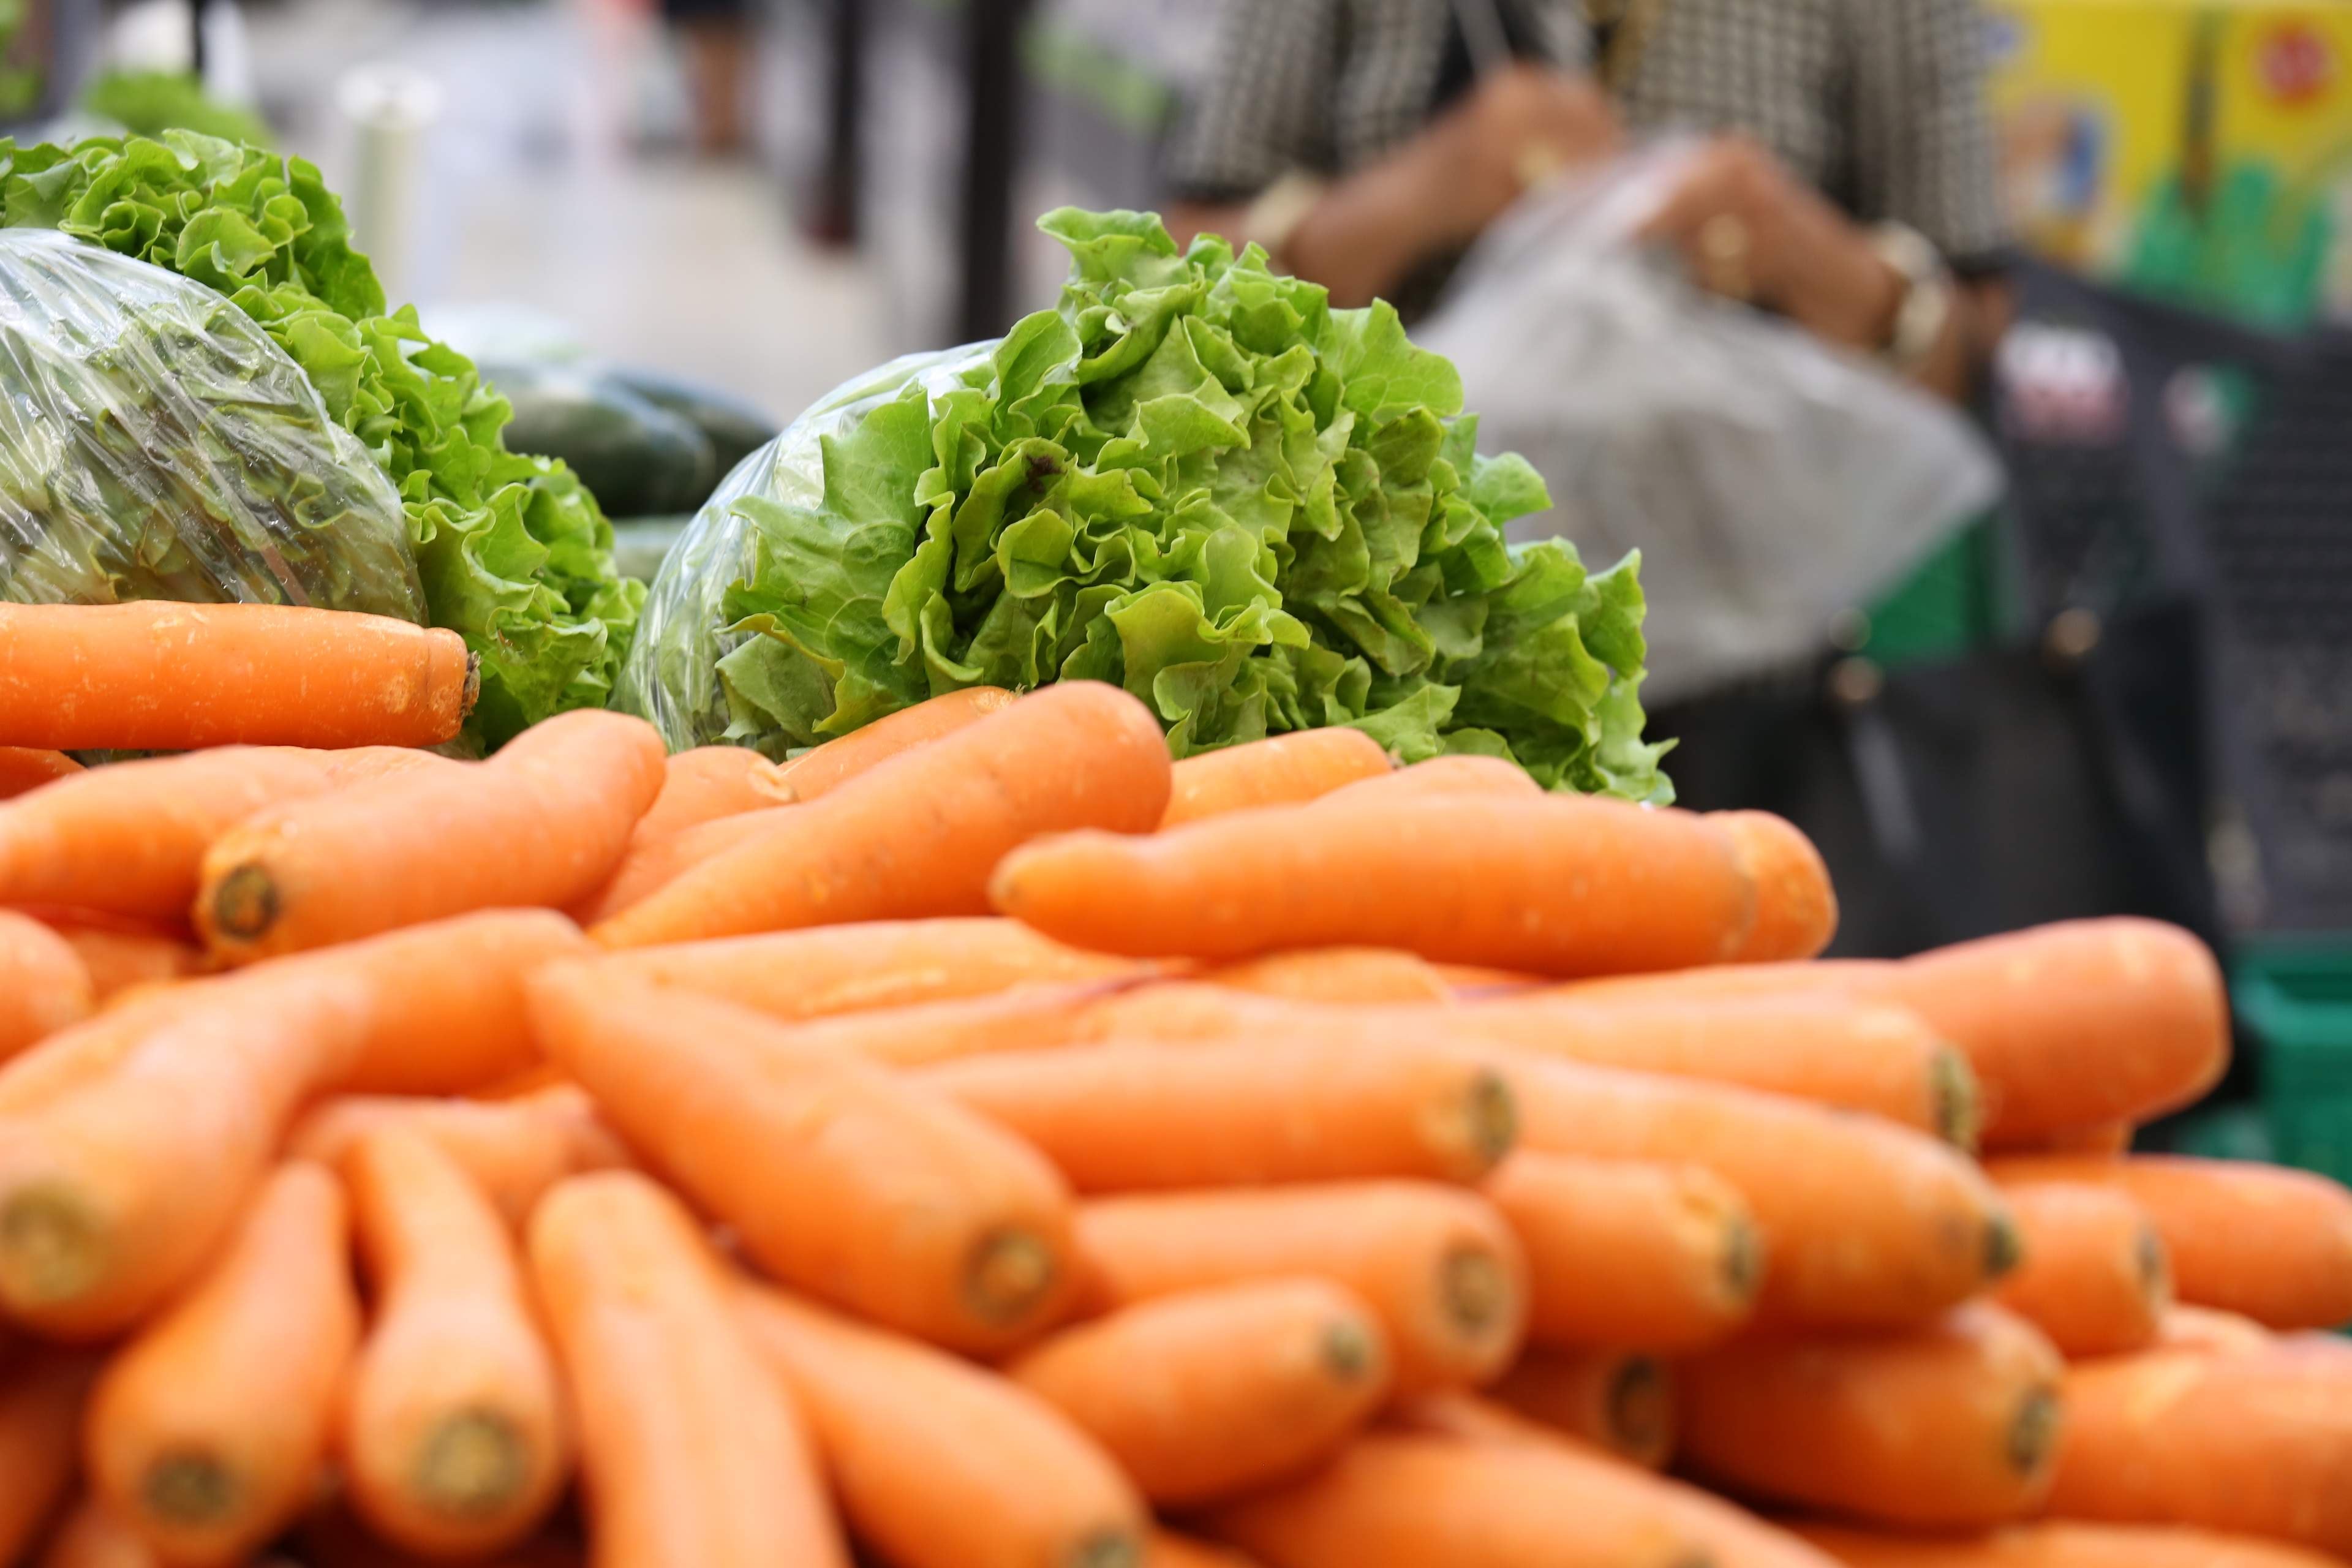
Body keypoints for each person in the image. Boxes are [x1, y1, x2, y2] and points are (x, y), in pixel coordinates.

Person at [1163, 0, 2013, 401]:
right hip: (1380, 608)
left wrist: (1804, 255)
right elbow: (1181, 268)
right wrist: (1420, 194)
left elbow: (1974, 345)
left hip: (1749, 645)